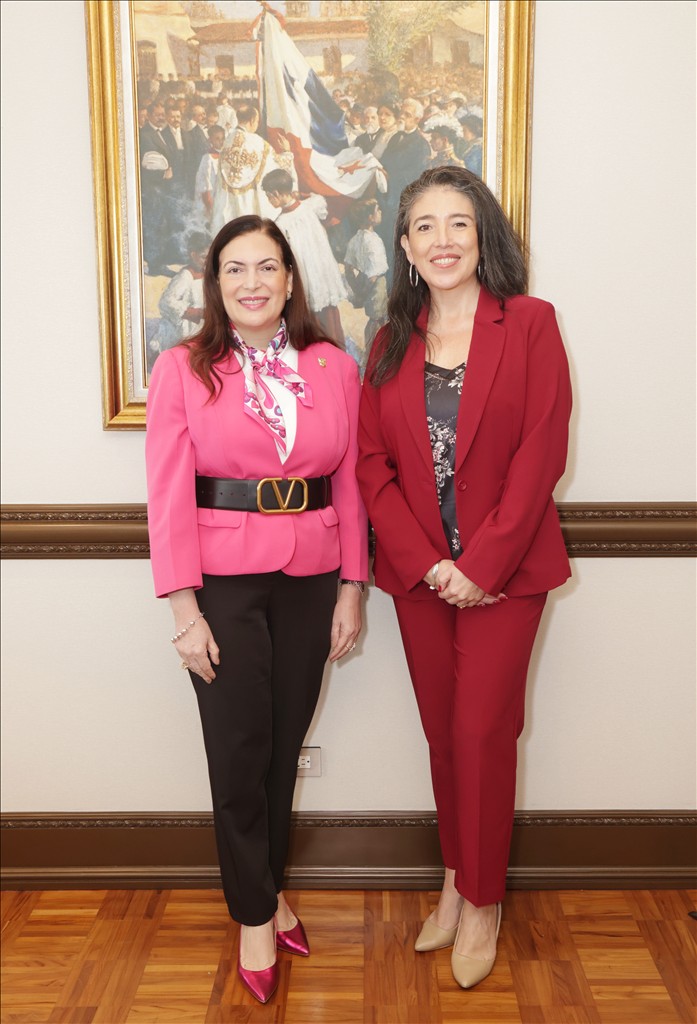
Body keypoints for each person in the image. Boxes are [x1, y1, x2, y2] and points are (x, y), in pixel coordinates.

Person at [356, 167, 572, 990]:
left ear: (482, 236)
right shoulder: (386, 341)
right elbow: (370, 465)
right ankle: (454, 877)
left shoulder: (529, 323)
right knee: (444, 734)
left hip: (504, 576)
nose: (442, 240)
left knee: (483, 732)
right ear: (405, 245)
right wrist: (426, 562)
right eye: (424, 225)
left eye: (458, 223)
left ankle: (482, 902)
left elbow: (541, 449)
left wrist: (480, 566)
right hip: (421, 577)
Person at [146, 215, 368, 1005]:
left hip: (312, 574)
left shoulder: (333, 365)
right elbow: (167, 492)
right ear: (216, 283)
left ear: (289, 278)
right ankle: (252, 916)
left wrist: (352, 587)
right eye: (234, 268)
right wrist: (184, 611)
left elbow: (349, 482)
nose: (252, 282)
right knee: (238, 750)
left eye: (266, 266)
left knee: (281, 748)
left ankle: (270, 893)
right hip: (221, 582)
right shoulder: (182, 367)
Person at [262, 168, 348, 346]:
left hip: (314, 277)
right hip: (315, 276)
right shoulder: (311, 206)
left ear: (276, 193)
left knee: (321, 324)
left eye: (269, 196)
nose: (269, 200)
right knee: (324, 323)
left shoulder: (282, 224)